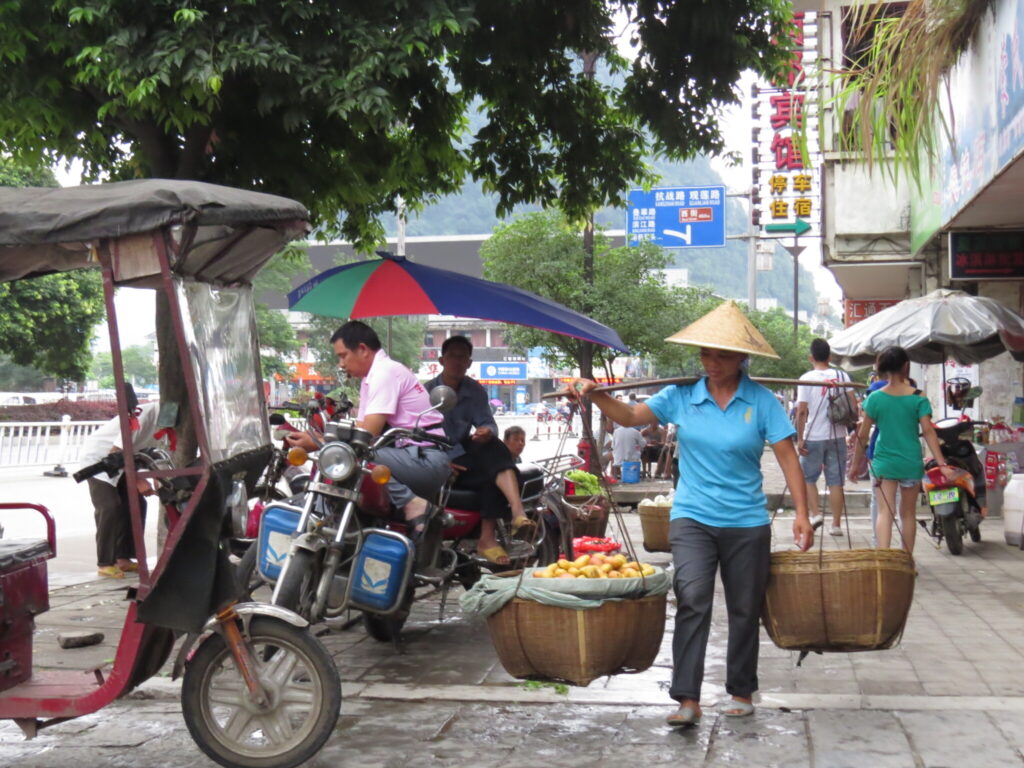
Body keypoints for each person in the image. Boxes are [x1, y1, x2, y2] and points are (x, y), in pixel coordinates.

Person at [566, 301, 812, 728]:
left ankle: (740, 690)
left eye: (721, 356)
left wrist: (802, 515)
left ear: (741, 359)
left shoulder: (761, 401)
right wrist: (597, 393)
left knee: (744, 607)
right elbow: (630, 415)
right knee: (693, 599)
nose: (711, 363)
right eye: (705, 354)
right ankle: (687, 698)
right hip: (693, 516)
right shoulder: (681, 395)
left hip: (747, 521)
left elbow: (789, 458)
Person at [285, 321, 450, 536]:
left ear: (362, 349)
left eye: (343, 356)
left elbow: (367, 434)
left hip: (425, 460)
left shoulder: (385, 372)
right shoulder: (370, 378)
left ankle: (411, 503)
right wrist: (321, 436)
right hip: (407, 456)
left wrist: (318, 443)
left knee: (354, 456)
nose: (341, 364)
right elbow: (361, 427)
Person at [425, 335, 533, 565]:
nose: (457, 361)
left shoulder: (475, 391)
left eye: (462, 357)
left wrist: (487, 432)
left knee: (494, 446)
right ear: (442, 360)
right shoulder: (426, 392)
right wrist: (440, 462)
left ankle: (515, 512)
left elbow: (487, 422)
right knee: (490, 474)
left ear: (469, 363)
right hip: (436, 458)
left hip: (463, 454)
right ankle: (489, 537)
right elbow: (416, 435)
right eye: (452, 356)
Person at [848, 346, 950, 552]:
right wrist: (942, 464)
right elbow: (928, 432)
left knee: (885, 513)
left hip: (884, 463)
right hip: (911, 462)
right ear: (906, 366)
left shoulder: (875, 398)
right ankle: (907, 561)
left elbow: (863, 435)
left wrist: (854, 465)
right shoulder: (918, 397)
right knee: (908, 514)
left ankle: (884, 561)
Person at [78, 401, 161, 578]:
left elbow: (159, 454)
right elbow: (115, 453)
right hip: (100, 460)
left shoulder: (173, 420)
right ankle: (105, 563)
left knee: (137, 504)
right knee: (110, 507)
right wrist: (137, 479)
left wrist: (157, 477)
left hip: (126, 462)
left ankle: (123, 558)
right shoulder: (143, 415)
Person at [795, 338, 857, 536]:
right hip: (838, 435)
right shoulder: (842, 375)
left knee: (808, 477)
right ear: (830, 357)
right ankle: (836, 525)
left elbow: (801, 411)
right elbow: (853, 405)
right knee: (836, 481)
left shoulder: (806, 378)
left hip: (813, 435)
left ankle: (816, 514)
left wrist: (800, 438)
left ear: (810, 358)